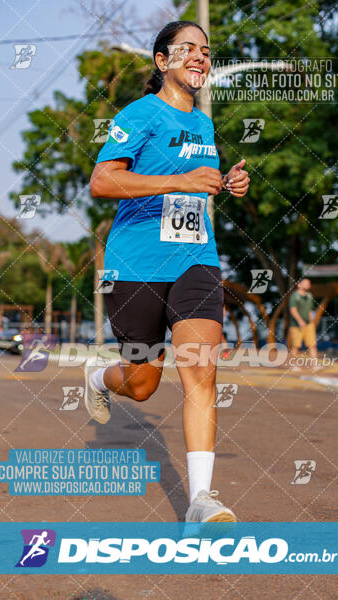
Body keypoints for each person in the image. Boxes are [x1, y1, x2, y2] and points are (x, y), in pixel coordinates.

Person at [86, 21, 250, 523]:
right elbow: (102, 181)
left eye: (206, 51)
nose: (201, 57)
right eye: (188, 50)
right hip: (136, 263)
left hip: (195, 259)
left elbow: (195, 189)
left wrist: (227, 182)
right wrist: (180, 178)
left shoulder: (204, 124)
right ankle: (98, 377)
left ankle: (200, 501)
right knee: (142, 385)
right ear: (162, 62)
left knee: (201, 366)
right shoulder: (139, 114)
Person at [288, 279, 319, 372]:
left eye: (309, 283)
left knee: (312, 345)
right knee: (295, 346)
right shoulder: (294, 296)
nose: (307, 284)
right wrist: (300, 321)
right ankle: (293, 365)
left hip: (308, 325)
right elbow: (293, 310)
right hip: (296, 325)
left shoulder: (309, 296)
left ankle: (315, 365)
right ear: (299, 285)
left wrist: (311, 322)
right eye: (305, 283)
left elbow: (310, 310)